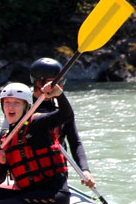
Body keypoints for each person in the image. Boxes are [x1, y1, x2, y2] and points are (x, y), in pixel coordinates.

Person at [26, 57, 95, 187]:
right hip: (29, 173)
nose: (61, 86)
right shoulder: (22, 105)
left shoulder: (62, 107)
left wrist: (85, 170)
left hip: (56, 173)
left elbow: (75, 141)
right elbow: (5, 132)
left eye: (62, 81)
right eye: (57, 82)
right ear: (40, 84)